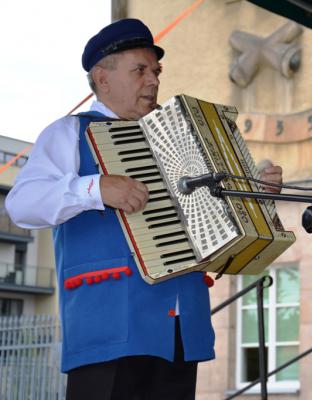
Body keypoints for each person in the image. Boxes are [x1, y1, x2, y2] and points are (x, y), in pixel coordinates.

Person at [6, 19, 283, 400]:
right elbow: (22, 205)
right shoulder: (69, 132)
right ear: (102, 78)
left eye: (156, 71)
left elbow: (215, 231)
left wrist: (257, 197)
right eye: (140, 70)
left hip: (182, 326)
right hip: (109, 324)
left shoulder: (179, 136)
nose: (153, 81)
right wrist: (95, 187)